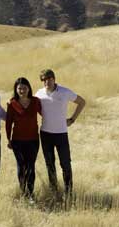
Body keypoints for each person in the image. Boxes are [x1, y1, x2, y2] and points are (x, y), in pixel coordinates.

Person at [35, 69, 86, 198]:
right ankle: (54, 191)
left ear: (54, 79)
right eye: (44, 80)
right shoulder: (39, 94)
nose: (47, 82)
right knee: (50, 164)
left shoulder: (64, 92)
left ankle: (69, 192)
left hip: (61, 133)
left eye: (49, 79)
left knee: (65, 164)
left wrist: (72, 119)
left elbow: (82, 102)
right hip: (45, 134)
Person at [5, 77, 42, 202]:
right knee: (21, 166)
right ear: (16, 89)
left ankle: (30, 194)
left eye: (24, 88)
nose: (22, 90)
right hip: (17, 141)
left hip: (33, 140)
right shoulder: (12, 104)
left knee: (30, 166)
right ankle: (23, 192)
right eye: (19, 88)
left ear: (29, 88)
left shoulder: (36, 101)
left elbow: (46, 113)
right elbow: (8, 123)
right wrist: (8, 139)